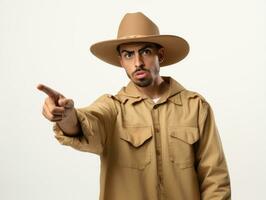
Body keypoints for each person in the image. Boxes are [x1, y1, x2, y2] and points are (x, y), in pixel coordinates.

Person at [37, 12, 231, 200]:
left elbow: (215, 178)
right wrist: (65, 115)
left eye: (145, 52)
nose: (137, 62)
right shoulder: (112, 108)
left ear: (160, 55)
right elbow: (86, 124)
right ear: (121, 61)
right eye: (128, 55)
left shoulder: (196, 107)